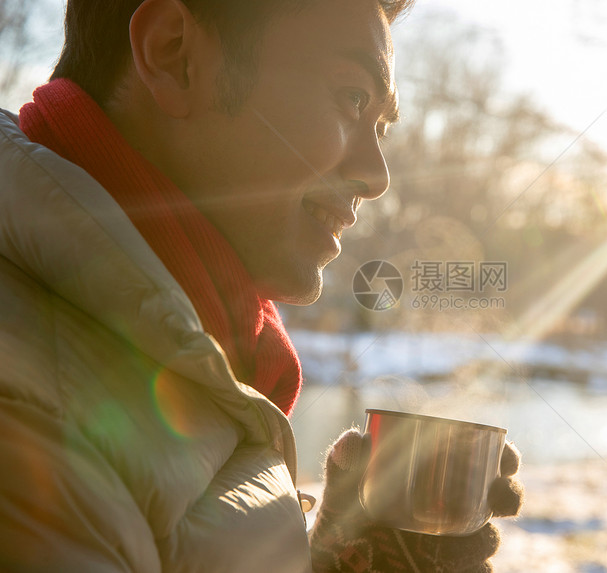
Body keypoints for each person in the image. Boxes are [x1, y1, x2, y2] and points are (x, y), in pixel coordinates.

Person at [0, 0, 523, 571]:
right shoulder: (32, 431)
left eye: (381, 126)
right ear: (174, 56)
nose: (377, 176)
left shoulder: (202, 350)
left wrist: (343, 554)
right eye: (352, 97)